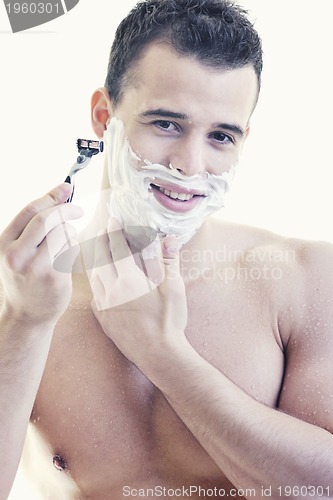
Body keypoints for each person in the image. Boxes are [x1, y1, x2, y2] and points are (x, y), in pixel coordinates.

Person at [1, 0, 333, 498]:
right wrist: (24, 324)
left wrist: (164, 355)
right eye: (166, 124)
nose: (189, 164)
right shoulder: (20, 287)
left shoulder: (305, 279)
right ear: (103, 116)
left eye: (221, 136)